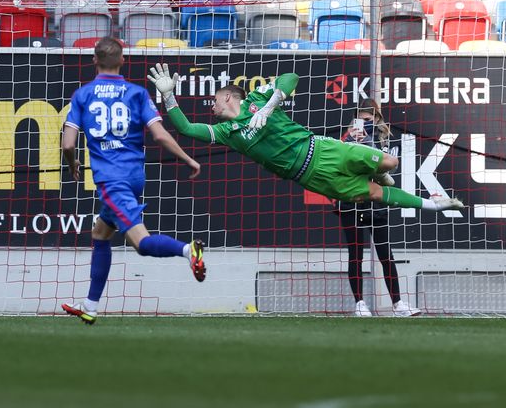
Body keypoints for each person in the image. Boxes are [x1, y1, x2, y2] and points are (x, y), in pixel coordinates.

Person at [147, 63, 464, 212]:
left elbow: (291, 77)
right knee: (374, 195)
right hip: (311, 176)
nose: (212, 105)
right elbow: (187, 129)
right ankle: (431, 204)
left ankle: (379, 171)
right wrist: (169, 97)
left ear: (230, 97)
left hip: (322, 149)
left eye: (215, 99)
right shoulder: (226, 133)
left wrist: (269, 108)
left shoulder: (257, 98)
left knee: (390, 161)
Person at [61, 39, 206, 325]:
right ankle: (90, 305)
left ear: (94, 60)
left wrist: (73, 162)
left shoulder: (83, 95)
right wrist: (188, 158)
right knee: (101, 233)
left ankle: (189, 250)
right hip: (135, 177)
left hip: (111, 181)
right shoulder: (137, 93)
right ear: (123, 60)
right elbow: (161, 135)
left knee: (141, 243)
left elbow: (68, 144)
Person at [336, 100, 420, 317]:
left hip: (376, 205)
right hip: (351, 203)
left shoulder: (386, 141)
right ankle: (360, 304)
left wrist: (369, 146)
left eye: (368, 120)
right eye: (361, 120)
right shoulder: (345, 140)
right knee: (355, 255)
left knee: (386, 255)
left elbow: (385, 172)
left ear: (377, 119)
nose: (364, 124)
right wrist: (350, 143)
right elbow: (341, 167)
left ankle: (398, 304)